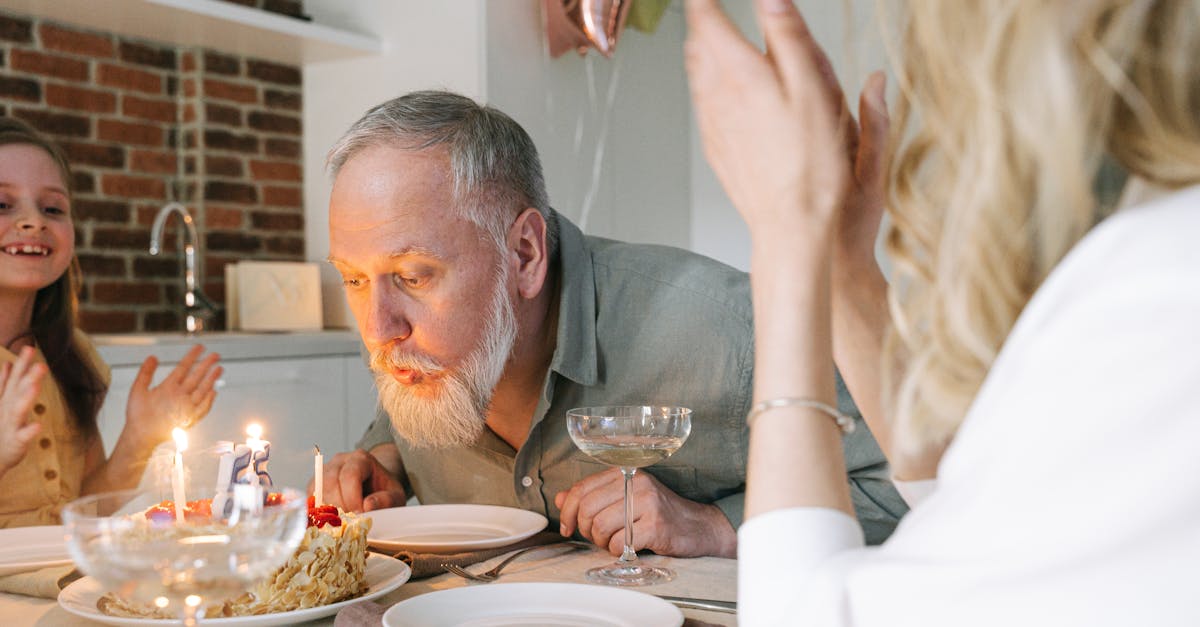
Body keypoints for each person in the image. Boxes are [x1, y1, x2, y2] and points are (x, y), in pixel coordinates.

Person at [686, 0, 1200, 623]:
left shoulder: (1164, 291)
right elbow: (980, 516)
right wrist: (842, 264)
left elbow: (809, 614)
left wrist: (787, 237)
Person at [318, 90, 907, 558]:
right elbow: (393, 432)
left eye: (414, 276)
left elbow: (908, 488)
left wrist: (719, 527)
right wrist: (378, 465)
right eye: (353, 279)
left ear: (523, 254)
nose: (378, 328)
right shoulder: (420, 358)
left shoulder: (726, 331)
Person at [0, 118, 223, 528]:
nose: (34, 221)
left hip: (63, 578)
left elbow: (87, 509)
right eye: (2, 204)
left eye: (53, 208)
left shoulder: (72, 354)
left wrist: (140, 437)